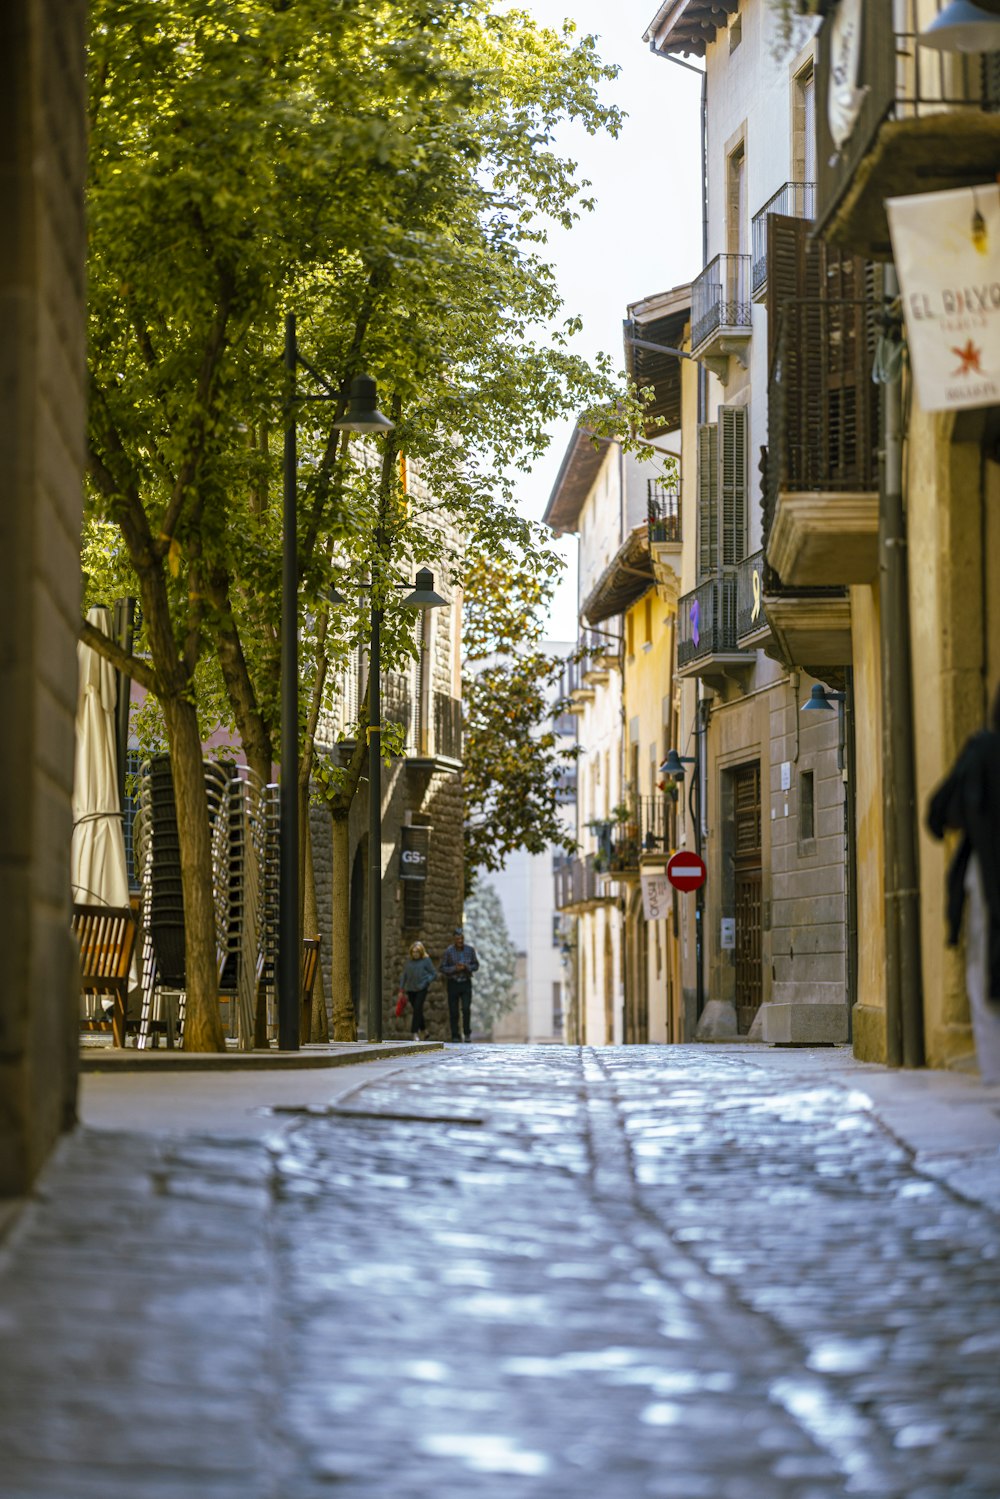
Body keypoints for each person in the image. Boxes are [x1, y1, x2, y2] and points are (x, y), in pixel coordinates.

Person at [927, 685, 1000, 1083]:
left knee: (984, 971)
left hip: (986, 880)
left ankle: (995, 1069)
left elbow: (938, 813)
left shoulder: (982, 752)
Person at [439, 926, 480, 1043]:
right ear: (454, 939)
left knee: (466, 1008)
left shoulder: (470, 950)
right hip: (453, 983)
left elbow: (476, 965)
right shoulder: (449, 951)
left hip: (466, 982)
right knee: (453, 1010)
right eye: (457, 939)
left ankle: (467, 1034)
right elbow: (442, 968)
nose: (460, 941)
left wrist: (466, 967)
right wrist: (454, 969)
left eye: (461, 938)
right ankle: (455, 1035)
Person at [399, 942, 436, 1042]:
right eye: (414, 952)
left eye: (417, 952)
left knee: (417, 1009)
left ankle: (414, 1033)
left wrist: (426, 981)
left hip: (421, 989)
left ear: (421, 952)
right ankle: (424, 1030)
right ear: (411, 952)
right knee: (417, 1010)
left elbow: (433, 973)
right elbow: (404, 976)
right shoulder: (409, 962)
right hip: (411, 989)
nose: (415, 954)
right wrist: (401, 989)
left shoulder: (426, 960)